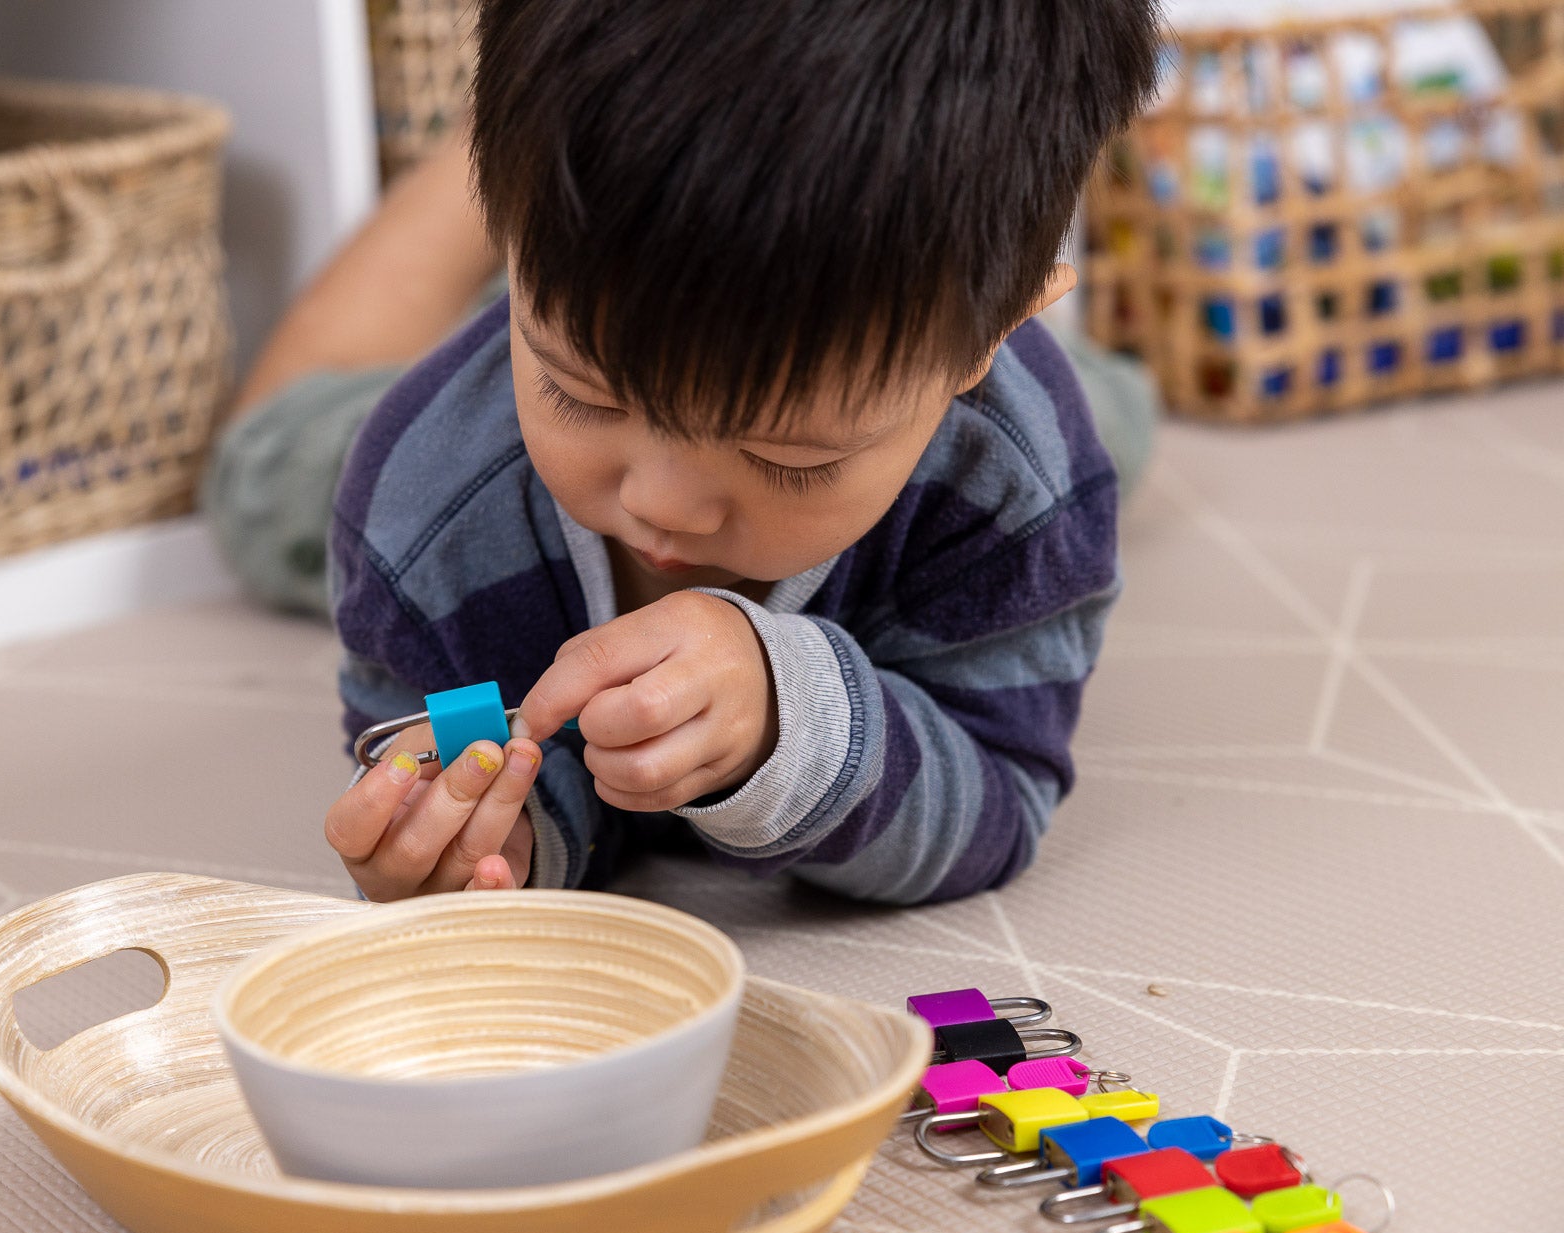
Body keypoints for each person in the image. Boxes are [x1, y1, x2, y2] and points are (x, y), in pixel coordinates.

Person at [234, 0, 1162, 904]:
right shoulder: (420, 508)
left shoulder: (1018, 478)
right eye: (583, 394)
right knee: (261, 479)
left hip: (971, 385)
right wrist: (491, 837)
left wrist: (789, 729)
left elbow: (1000, 789)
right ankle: (484, 159)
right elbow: (449, 767)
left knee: (1114, 422)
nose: (663, 505)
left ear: (987, 342)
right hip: (520, 346)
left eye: (792, 455)